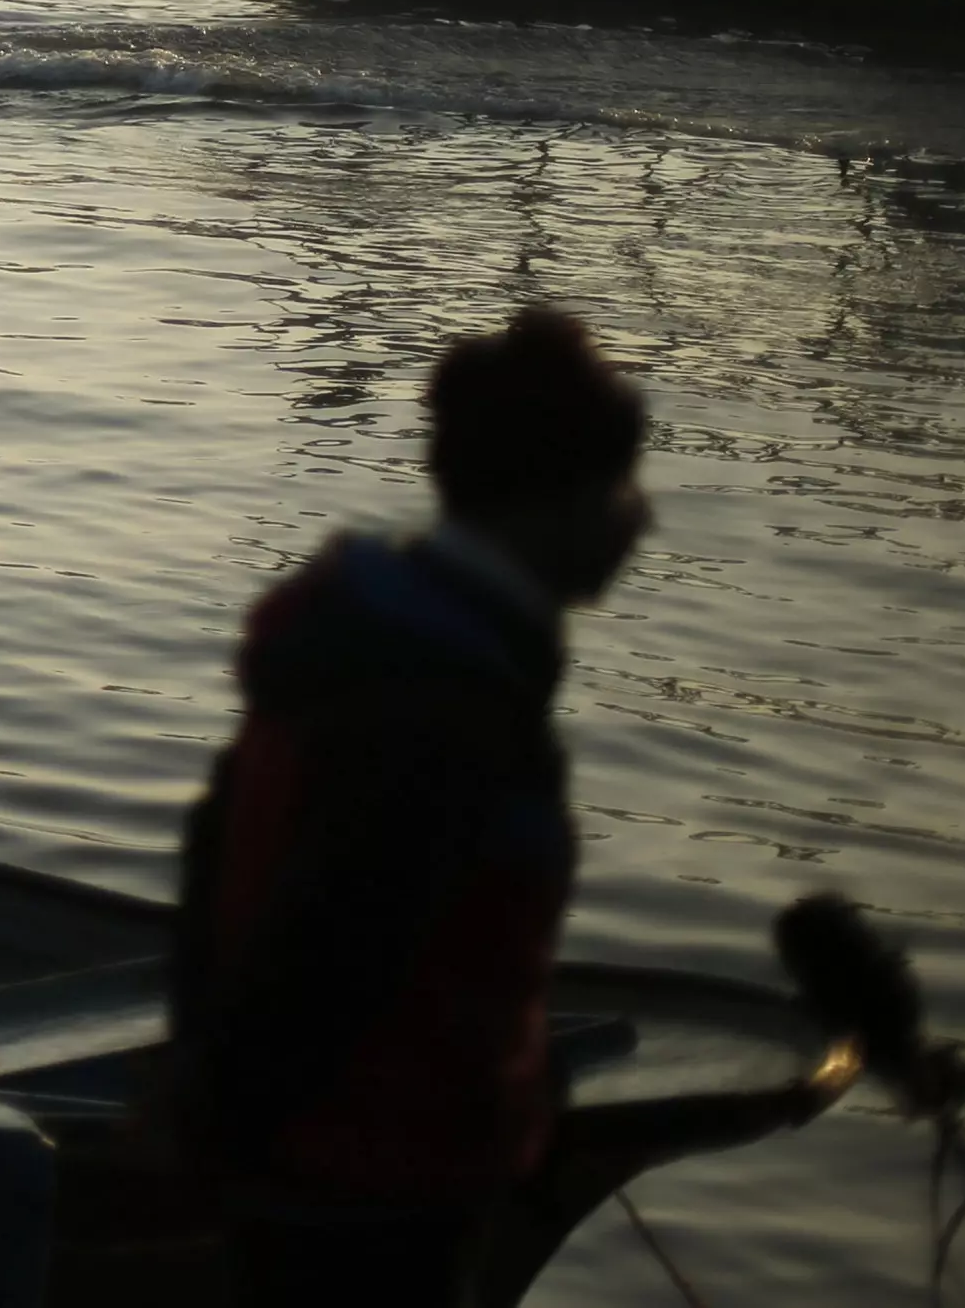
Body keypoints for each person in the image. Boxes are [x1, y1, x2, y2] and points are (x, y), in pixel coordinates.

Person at [170, 308, 653, 1308]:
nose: (636, 517)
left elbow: (211, 855)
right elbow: (332, 951)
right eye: (616, 485)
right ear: (548, 501)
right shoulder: (443, 703)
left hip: (318, 1186)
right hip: (363, 1207)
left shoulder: (373, 639)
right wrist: (225, 1124)